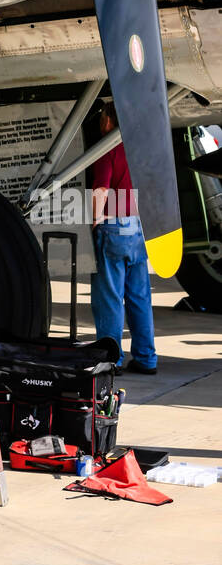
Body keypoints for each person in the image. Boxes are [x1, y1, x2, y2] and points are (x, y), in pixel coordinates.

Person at [90, 102, 158, 375]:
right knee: (139, 297)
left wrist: (96, 222)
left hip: (114, 226)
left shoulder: (107, 148)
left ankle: (111, 359)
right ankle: (146, 358)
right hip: (138, 227)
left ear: (109, 120)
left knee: (109, 297)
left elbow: (101, 189)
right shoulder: (141, 149)